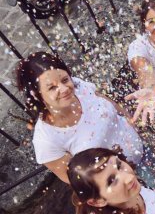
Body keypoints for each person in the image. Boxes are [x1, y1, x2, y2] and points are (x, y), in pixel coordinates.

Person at [15, 52, 143, 184]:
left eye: (65, 80)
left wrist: (132, 122)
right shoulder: (47, 142)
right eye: (52, 87)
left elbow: (107, 102)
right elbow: (80, 184)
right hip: (121, 184)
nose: (64, 89)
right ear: (37, 95)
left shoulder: (79, 87)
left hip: (141, 149)